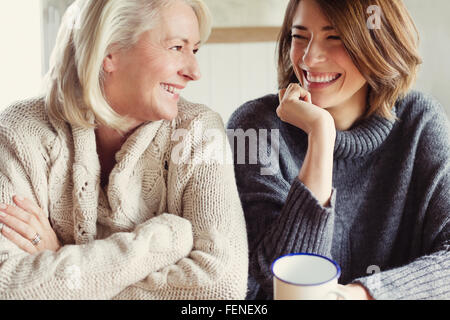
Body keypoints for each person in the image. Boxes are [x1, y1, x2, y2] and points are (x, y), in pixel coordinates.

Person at [0, 0, 248, 300]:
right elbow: (7, 285)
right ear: (110, 51)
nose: (194, 72)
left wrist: (60, 261)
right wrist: (164, 240)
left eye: (194, 50)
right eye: (176, 48)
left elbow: (221, 288)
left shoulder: (200, 131)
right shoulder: (20, 131)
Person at [227, 0, 450, 300]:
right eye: (299, 36)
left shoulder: (420, 122)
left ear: (378, 44)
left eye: (335, 38)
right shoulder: (254, 127)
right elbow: (268, 283)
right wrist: (320, 136)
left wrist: (360, 295)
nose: (309, 57)